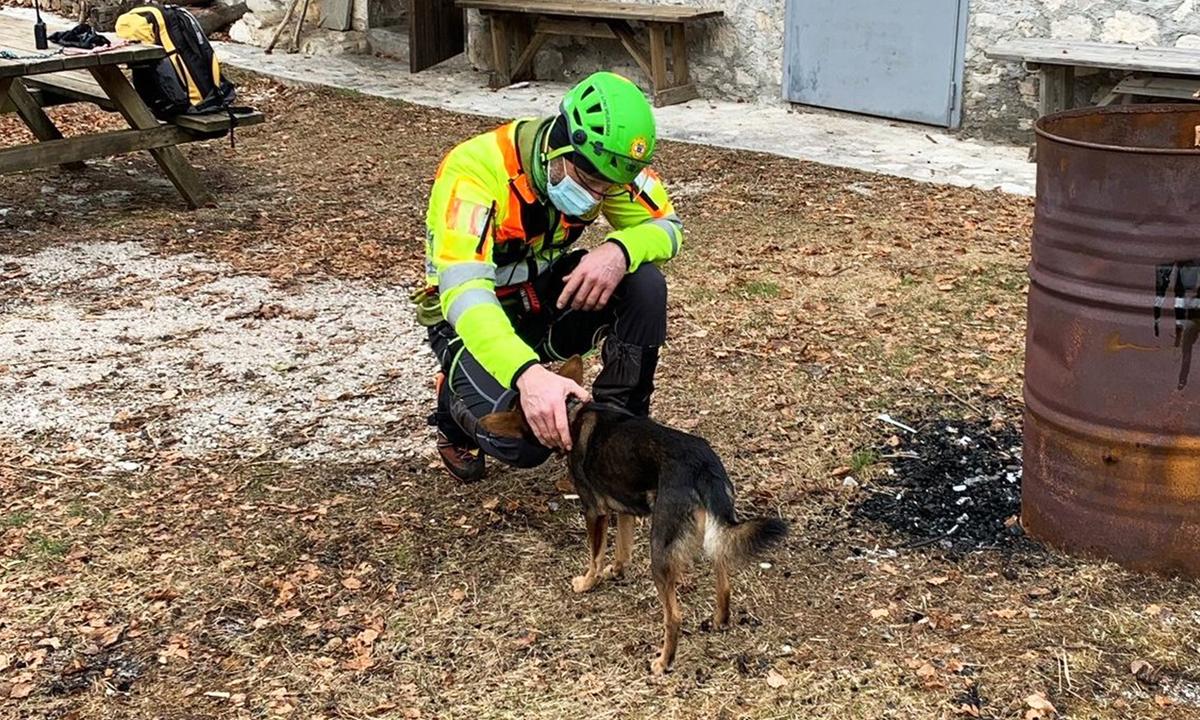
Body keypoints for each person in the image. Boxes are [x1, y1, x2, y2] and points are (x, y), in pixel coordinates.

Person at [413, 71, 683, 482]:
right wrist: (528, 375)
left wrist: (619, 250)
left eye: (607, 191)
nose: (596, 199)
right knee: (525, 442)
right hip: (471, 321)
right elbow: (464, 294)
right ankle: (453, 401)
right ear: (560, 145)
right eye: (589, 183)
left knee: (643, 284)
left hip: (542, 298)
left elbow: (668, 227)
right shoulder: (474, 172)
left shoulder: (612, 166)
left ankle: (615, 434)